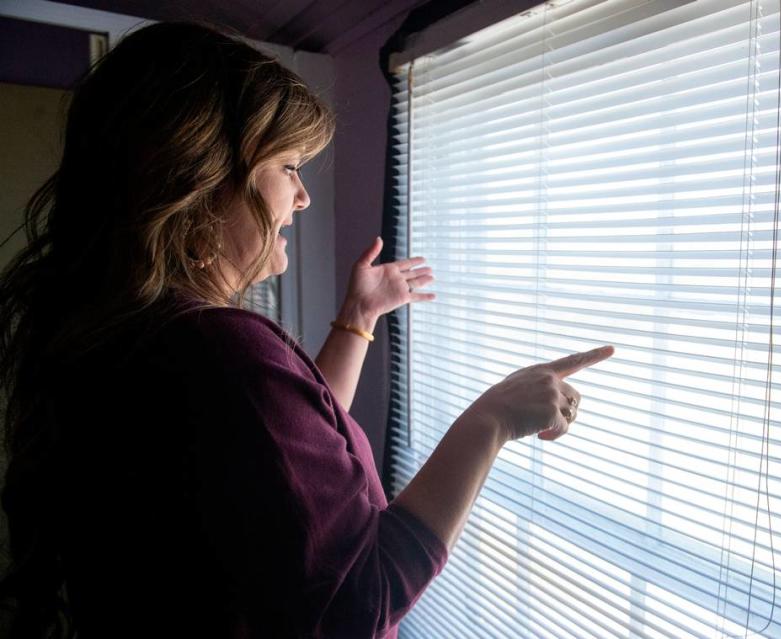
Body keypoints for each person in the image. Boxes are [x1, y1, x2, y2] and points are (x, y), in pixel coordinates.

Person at [0, 22, 613, 639]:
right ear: (200, 174)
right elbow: (357, 603)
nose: (302, 197)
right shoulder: (215, 349)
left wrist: (359, 320)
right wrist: (493, 419)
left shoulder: (129, 332)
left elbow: (285, 455)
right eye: (289, 165)